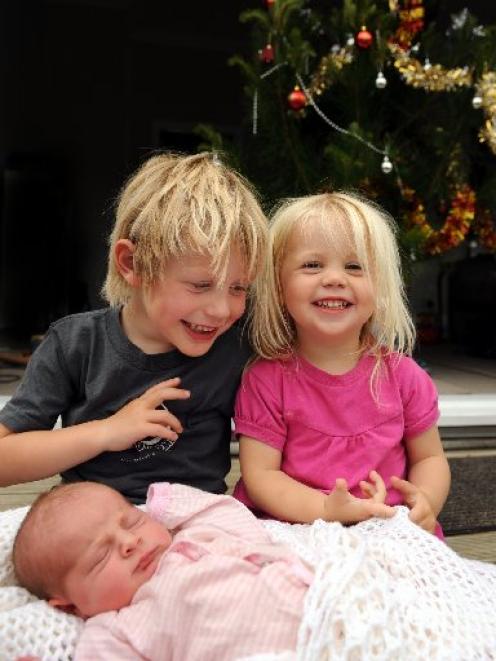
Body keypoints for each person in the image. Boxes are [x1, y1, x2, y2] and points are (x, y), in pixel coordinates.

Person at [0, 152, 268, 502]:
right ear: (132, 263)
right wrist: (109, 431)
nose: (221, 310)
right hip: (95, 518)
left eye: (238, 288)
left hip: (198, 519)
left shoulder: (237, 350)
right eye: (200, 285)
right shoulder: (75, 344)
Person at [233, 192, 451, 534]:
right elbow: (261, 475)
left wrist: (424, 501)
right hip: (297, 528)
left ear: (379, 286)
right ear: (278, 285)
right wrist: (324, 510)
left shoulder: (404, 377)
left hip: (388, 526)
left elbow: (429, 458)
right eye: (312, 265)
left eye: (354, 266)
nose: (334, 278)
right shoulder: (266, 380)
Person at [13, 480, 317, 660]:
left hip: (323, 607)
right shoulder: (116, 629)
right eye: (101, 556)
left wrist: (165, 504)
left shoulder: (194, 535)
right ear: (70, 605)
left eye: (132, 521)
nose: (130, 542)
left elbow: (224, 509)